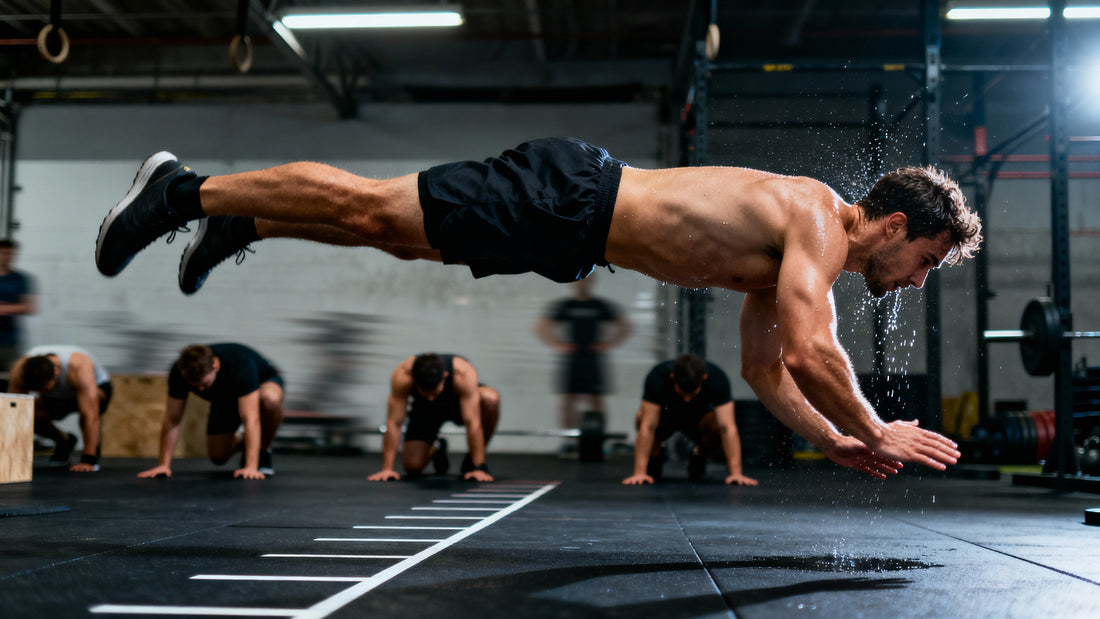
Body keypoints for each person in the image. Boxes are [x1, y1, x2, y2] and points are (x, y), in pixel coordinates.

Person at [95, 138, 982, 477]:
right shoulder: (817, 221)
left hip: (569, 230)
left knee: (394, 236)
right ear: (897, 223)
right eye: (927, 261)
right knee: (374, 209)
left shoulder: (797, 259)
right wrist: (877, 424)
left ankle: (235, 216)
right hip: (569, 195)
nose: (916, 279)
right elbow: (814, 349)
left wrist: (835, 440)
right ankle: (184, 191)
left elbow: (765, 367)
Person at [137, 343, 285, 480]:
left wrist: (250, 467)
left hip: (262, 383)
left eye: (205, 384)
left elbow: (251, 419)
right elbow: (172, 419)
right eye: (196, 387)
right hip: (225, 399)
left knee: (269, 401)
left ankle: (263, 449)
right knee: (218, 457)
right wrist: (164, 465)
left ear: (215, 365)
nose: (201, 389)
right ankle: (244, 441)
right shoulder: (179, 373)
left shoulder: (240, 364)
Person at [623, 354, 757, 486]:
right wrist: (639, 472)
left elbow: (728, 428)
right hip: (666, 419)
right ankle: (655, 456)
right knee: (642, 417)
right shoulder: (658, 376)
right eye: (682, 393)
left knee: (718, 424)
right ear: (672, 377)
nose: (686, 399)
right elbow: (648, 426)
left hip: (698, 421)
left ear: (704, 378)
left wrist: (736, 473)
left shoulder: (717, 378)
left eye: (692, 394)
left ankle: (698, 455)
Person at [367, 353, 498, 482]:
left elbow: (473, 422)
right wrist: (387, 469)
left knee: (490, 398)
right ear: (414, 380)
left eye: (434, 392)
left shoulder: (463, 373)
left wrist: (479, 467)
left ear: (445, 377)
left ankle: (472, 460)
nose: (431, 398)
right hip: (425, 411)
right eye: (425, 392)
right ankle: (437, 446)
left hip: (458, 406)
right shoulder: (403, 375)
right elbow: (394, 422)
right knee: (413, 467)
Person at [534, 274, 632, 442]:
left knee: (596, 400)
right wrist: (557, 344)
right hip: (572, 361)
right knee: (568, 401)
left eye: (586, 280)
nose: (582, 283)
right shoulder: (565, 305)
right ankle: (569, 442)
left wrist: (610, 343)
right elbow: (540, 327)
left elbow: (625, 326)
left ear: (591, 282)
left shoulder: (599, 305)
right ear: (574, 283)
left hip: (593, 360)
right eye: (579, 280)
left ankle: (598, 441)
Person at [8, 345, 113, 472]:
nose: (40, 391)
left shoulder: (78, 366)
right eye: (37, 390)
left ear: (56, 372)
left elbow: (90, 415)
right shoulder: (19, 372)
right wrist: (12, 457)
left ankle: (92, 451)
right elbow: (15, 415)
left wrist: (88, 460)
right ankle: (64, 441)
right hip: (57, 396)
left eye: (43, 388)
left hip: (94, 390)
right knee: (28, 413)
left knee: (89, 406)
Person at [0, 239, 37, 373]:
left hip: (11, 342)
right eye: (3, 253)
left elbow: (29, 307)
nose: (6, 257)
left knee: (13, 379)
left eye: (10, 254)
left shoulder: (20, 279)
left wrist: (5, 308)